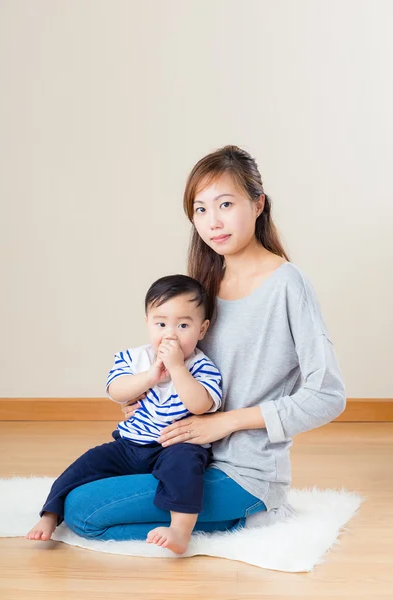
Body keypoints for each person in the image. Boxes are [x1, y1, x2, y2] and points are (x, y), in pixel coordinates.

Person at [63, 144, 346, 545]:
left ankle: (246, 517)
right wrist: (151, 392)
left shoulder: (287, 285)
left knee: (83, 512)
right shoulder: (204, 288)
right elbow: (191, 369)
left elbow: (328, 395)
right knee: (72, 489)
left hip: (242, 472)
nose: (213, 221)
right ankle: (202, 517)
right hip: (180, 458)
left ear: (258, 204)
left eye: (225, 204)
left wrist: (225, 421)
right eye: (200, 209)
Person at [26, 275, 222, 554]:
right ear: (147, 323)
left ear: (202, 330)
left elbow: (200, 405)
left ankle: (180, 529)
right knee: (88, 463)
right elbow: (116, 390)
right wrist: (149, 377)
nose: (171, 334)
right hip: (130, 445)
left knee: (186, 467)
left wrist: (178, 369)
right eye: (161, 323)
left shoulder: (203, 367)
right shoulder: (134, 358)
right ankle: (50, 515)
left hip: (176, 445)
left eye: (183, 325)